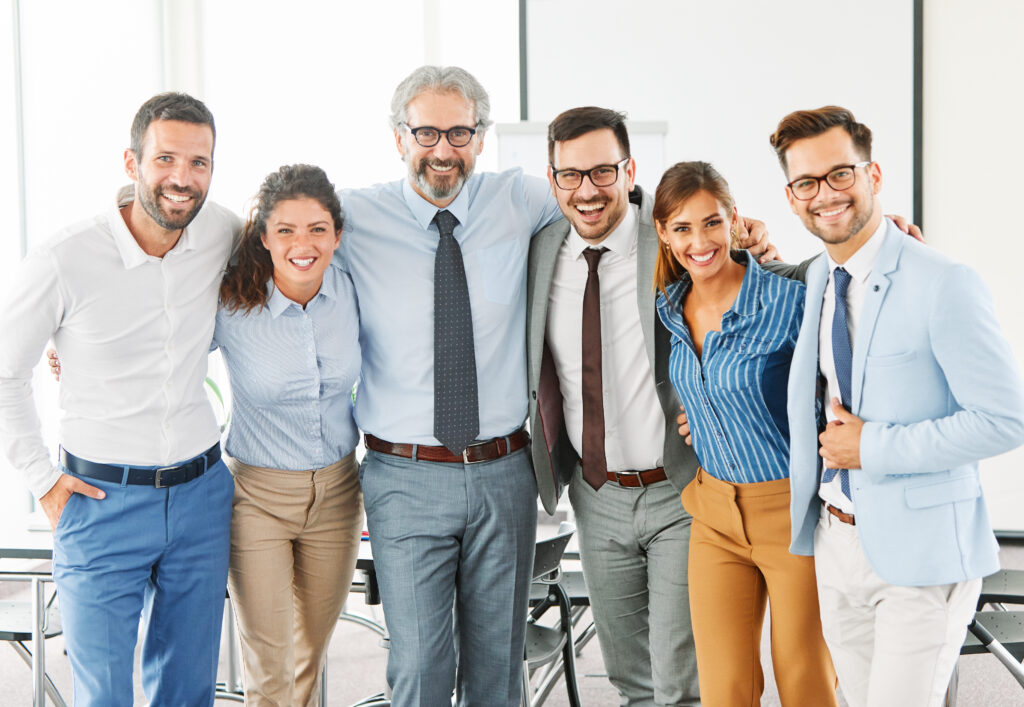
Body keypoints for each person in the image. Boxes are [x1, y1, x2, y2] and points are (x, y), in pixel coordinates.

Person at [771, 105, 1024, 707]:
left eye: (839, 174)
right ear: (790, 196)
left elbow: (1005, 417)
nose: (824, 194)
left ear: (873, 175)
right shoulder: (816, 280)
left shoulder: (943, 280)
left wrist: (872, 446)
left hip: (922, 553)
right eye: (806, 182)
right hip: (836, 543)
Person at [0, 93, 239, 706]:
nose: (182, 179)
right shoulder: (63, 258)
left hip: (201, 497)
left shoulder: (224, 234)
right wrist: (42, 480)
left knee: (189, 693)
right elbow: (5, 373)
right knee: (102, 694)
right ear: (131, 163)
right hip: (99, 502)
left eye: (199, 163)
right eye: (166, 159)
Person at [335, 65, 563, 706]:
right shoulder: (351, 214)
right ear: (398, 137)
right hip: (403, 476)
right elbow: (262, 251)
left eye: (459, 132)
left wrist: (742, 238)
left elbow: (615, 209)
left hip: (504, 470)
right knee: (421, 667)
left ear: (481, 138)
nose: (443, 149)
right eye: (426, 132)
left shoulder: (519, 199)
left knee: (498, 669)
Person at [651, 161, 837, 707]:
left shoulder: (788, 300)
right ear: (663, 233)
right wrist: (702, 413)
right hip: (712, 514)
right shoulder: (668, 309)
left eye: (711, 223)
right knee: (724, 688)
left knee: (804, 680)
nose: (699, 241)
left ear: (734, 221)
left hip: (790, 510)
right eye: (681, 228)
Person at [214, 164, 362, 706]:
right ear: (264, 237)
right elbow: (160, 339)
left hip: (340, 495)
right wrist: (76, 353)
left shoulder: (352, 291)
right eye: (287, 230)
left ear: (337, 236)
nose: (304, 244)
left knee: (311, 653)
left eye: (318, 229)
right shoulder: (230, 305)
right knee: (269, 660)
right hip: (257, 498)